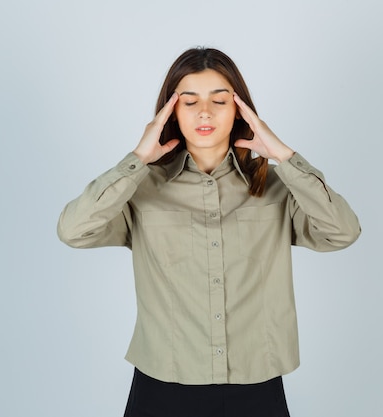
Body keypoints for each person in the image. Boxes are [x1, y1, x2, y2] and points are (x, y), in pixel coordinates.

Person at [57, 47, 361, 417]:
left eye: (220, 100)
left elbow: (343, 232)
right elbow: (74, 230)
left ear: (239, 110)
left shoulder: (279, 187)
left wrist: (283, 155)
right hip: (162, 386)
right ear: (170, 113)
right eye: (189, 102)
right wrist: (135, 159)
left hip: (257, 385)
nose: (205, 112)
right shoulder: (140, 189)